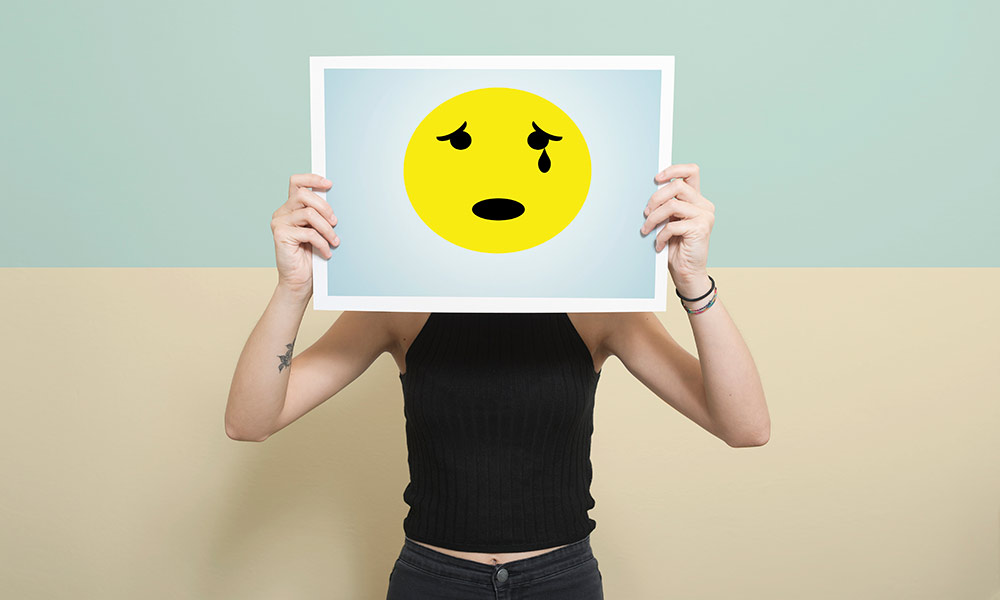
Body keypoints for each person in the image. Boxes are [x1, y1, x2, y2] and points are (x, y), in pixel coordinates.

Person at [225, 164, 769, 599]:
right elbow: (251, 421)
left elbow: (745, 426)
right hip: (432, 581)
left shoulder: (599, 311)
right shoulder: (399, 307)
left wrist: (693, 280)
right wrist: (293, 287)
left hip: (562, 580)